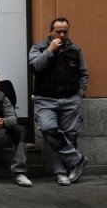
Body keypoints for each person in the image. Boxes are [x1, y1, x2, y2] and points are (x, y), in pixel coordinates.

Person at [29, 17, 89, 186]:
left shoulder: (75, 50)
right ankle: (77, 160)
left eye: (65, 31)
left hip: (70, 100)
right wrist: (50, 50)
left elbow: (83, 74)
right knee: (48, 128)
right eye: (58, 31)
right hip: (45, 100)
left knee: (69, 136)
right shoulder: (38, 47)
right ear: (51, 31)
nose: (62, 35)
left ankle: (62, 172)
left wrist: (79, 95)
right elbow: (35, 67)